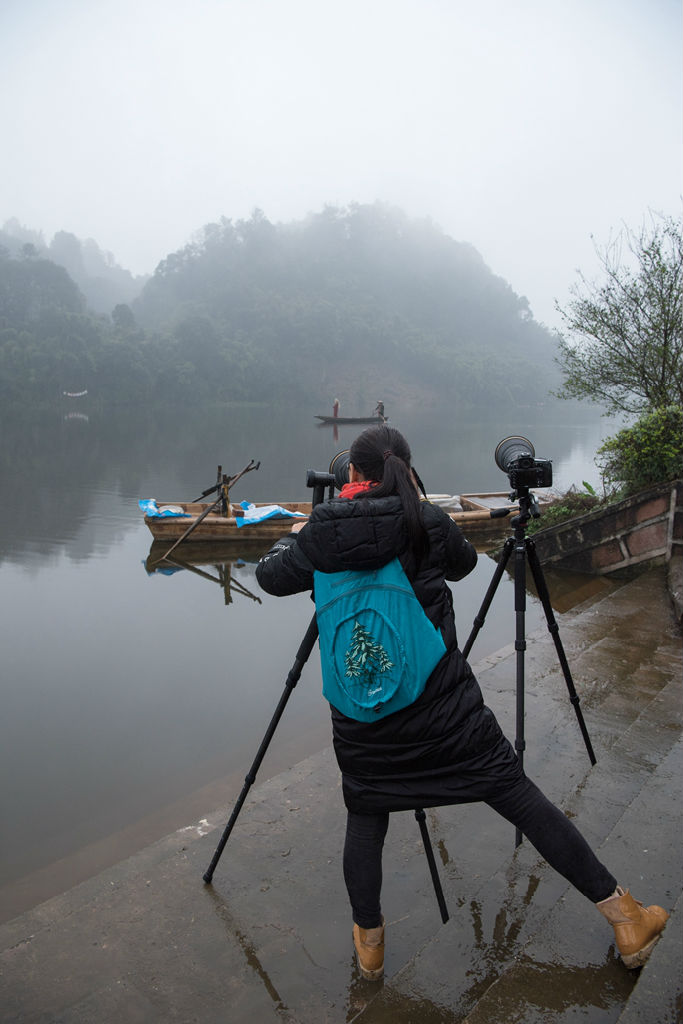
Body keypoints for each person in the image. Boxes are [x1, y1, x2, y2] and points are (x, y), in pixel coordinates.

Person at [255, 425, 668, 981]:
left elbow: (271, 579)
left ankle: (370, 951)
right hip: (447, 714)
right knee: (517, 794)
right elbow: (464, 566)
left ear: (351, 474)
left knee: (366, 814)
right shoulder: (427, 522)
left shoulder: (319, 534)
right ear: (407, 468)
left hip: (365, 722)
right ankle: (625, 917)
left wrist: (290, 540)